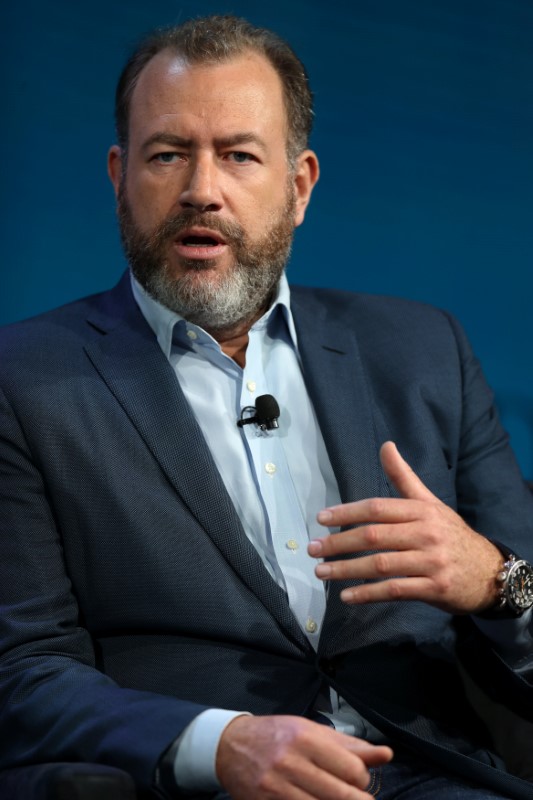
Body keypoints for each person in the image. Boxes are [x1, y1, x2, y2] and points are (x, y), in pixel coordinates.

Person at [0, 14, 532, 800]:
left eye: (238, 155)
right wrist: (216, 745)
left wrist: (493, 580)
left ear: (299, 184)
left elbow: (517, 585)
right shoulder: (23, 380)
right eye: (167, 154)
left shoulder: (423, 351)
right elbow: (21, 670)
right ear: (118, 175)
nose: (200, 190)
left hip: (431, 778)